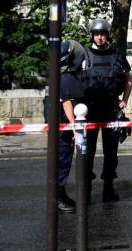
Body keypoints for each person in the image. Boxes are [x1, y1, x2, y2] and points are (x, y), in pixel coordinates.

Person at [81, 18, 132, 202]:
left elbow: (128, 79)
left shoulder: (116, 55)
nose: (100, 37)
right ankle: (85, 191)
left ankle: (108, 189)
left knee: (111, 153)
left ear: (107, 35)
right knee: (87, 152)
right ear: (92, 35)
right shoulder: (83, 54)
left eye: (102, 34)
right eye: (96, 34)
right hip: (90, 110)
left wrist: (124, 101)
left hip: (111, 108)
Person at [55, 38, 88, 212]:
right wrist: (76, 129)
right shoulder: (67, 77)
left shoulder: (61, 75)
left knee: (61, 161)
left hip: (60, 126)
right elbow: (67, 102)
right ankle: (58, 199)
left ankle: (60, 195)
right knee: (62, 161)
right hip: (64, 128)